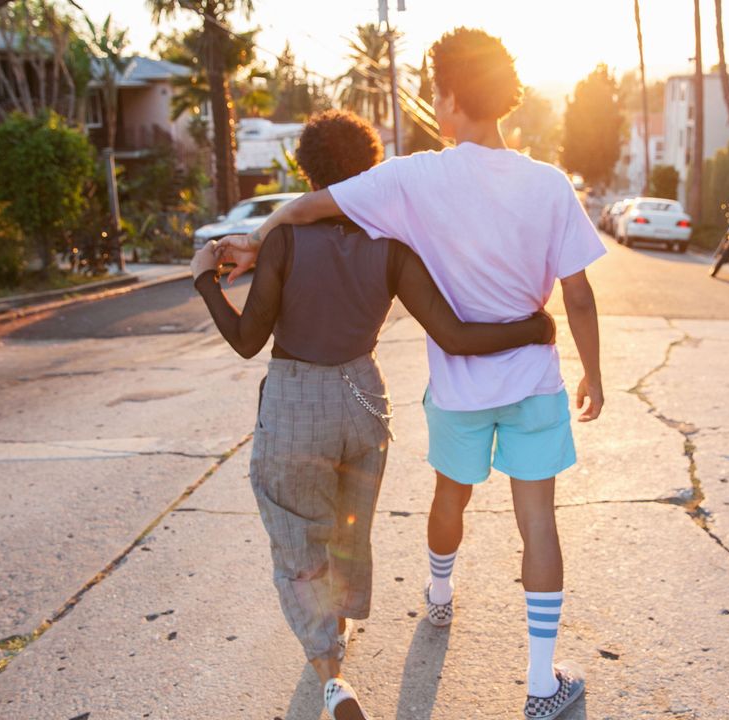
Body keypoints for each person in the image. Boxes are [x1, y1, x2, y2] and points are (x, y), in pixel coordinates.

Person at [219, 28, 605, 720]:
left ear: (453, 97)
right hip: (534, 382)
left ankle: (438, 592)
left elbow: (314, 205)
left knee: (448, 500)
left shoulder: (416, 176)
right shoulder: (549, 184)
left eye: (436, 91)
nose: (433, 101)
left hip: (458, 389)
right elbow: (577, 294)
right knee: (538, 523)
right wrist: (593, 374)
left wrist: (253, 242)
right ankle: (542, 685)